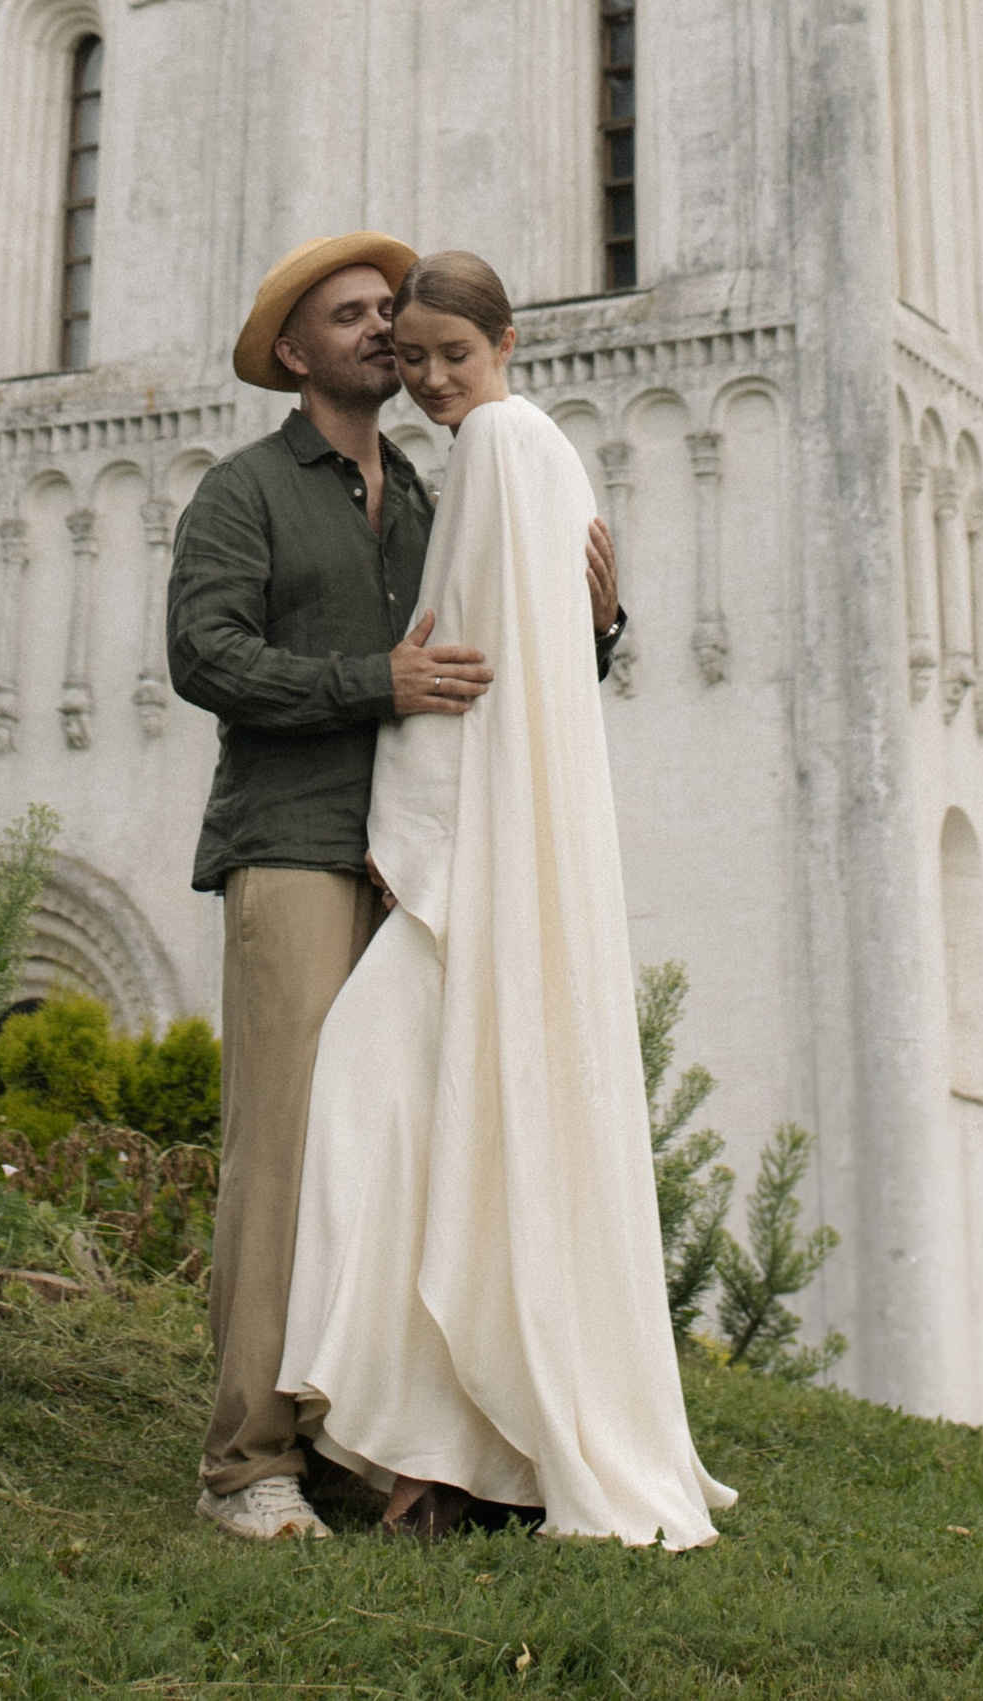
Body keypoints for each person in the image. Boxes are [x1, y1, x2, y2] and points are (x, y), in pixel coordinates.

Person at [167, 235, 627, 1543]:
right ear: (296, 351)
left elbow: (490, 668)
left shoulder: (429, 491)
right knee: (288, 1144)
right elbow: (203, 652)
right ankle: (247, 1460)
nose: (381, 332)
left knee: (393, 1146)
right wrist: (378, 684)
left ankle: (364, 1443)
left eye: (391, 313)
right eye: (350, 316)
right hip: (298, 841)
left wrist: (593, 623)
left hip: (423, 856)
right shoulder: (246, 491)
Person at [278, 250, 733, 1549]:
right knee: (464, 1126)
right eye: (409, 358)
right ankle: (459, 1450)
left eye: (448, 356)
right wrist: (597, 626)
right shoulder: (548, 451)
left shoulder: (492, 450)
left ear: (507, 342)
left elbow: (460, 662)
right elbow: (539, 647)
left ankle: (450, 1447)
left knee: (384, 1109)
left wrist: (403, 842)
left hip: (466, 854)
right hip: (517, 849)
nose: (426, 379)